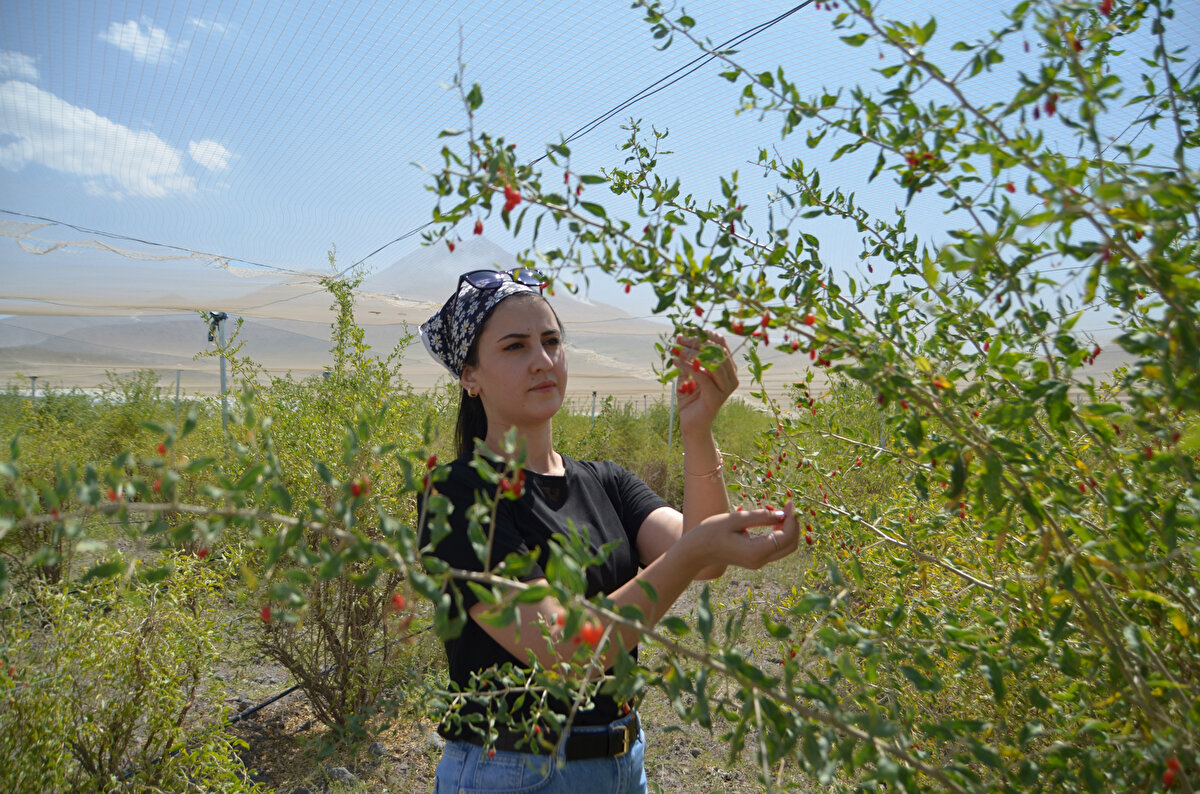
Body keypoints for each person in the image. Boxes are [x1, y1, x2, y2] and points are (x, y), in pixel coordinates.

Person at [418, 268, 801, 794]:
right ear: (470, 376)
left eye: (552, 341)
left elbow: (707, 553)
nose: (542, 360)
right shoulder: (458, 494)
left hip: (622, 763)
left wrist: (698, 427)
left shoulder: (604, 480)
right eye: (514, 347)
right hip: (514, 773)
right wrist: (689, 555)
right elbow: (567, 652)